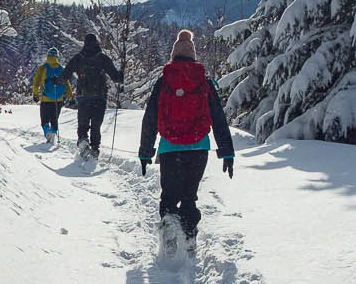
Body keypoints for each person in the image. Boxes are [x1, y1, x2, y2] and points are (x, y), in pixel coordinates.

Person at [137, 30, 233, 246]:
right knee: (189, 196)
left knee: (169, 195)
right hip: (199, 148)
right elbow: (218, 118)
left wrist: (145, 152)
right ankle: (189, 237)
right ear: (193, 55)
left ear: (173, 55)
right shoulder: (204, 82)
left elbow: (150, 118)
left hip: (170, 147)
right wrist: (227, 152)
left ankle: (169, 227)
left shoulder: (163, 82)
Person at [63, 33, 122, 155]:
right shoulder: (102, 58)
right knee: (96, 125)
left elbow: (65, 75)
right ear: (97, 43)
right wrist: (121, 75)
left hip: (83, 97)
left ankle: (83, 139)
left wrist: (55, 80)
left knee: (83, 122)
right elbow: (115, 77)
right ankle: (95, 148)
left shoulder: (78, 58)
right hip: (99, 97)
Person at [30, 47, 69, 144]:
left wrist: (35, 94)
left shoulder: (43, 68)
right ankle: (53, 133)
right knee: (54, 120)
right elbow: (67, 84)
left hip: (46, 99)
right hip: (58, 100)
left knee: (44, 121)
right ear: (57, 57)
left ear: (48, 56)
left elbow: (36, 83)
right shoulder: (61, 69)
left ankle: (48, 133)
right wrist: (70, 96)